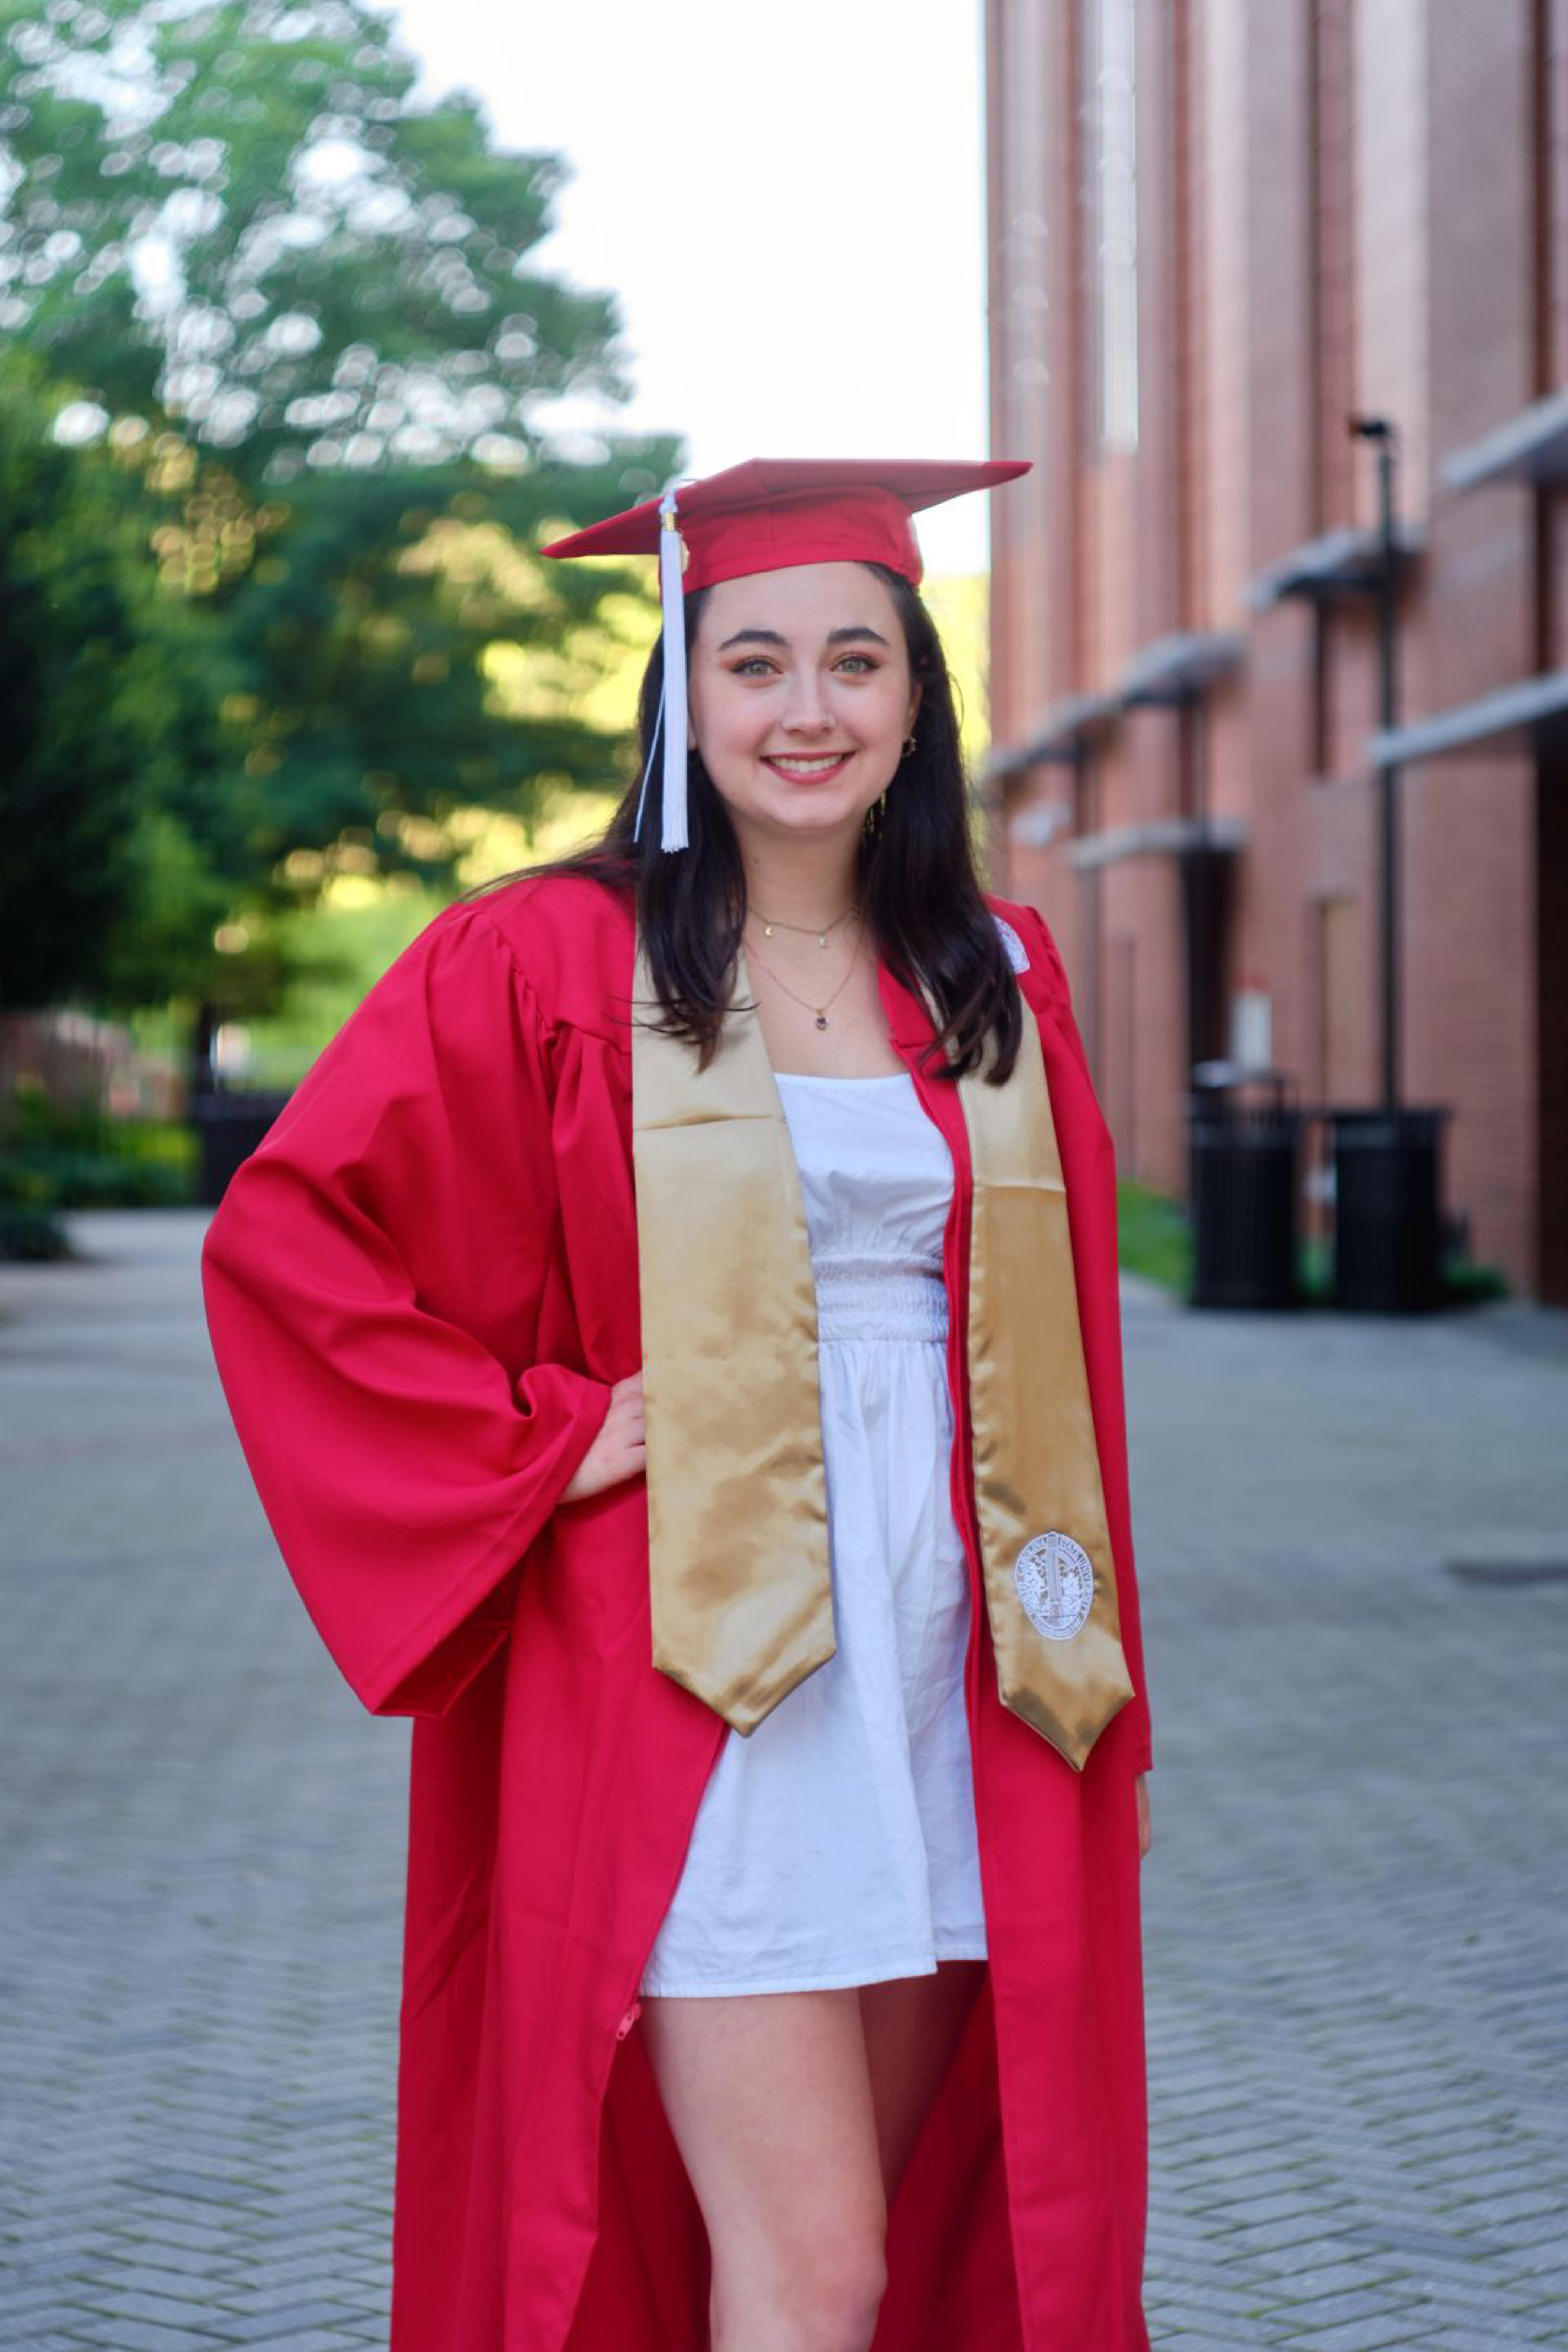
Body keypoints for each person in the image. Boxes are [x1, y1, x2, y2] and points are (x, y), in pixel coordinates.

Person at [201, 456, 1155, 2352]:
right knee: (817, 2266)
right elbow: (295, 1241)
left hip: (950, 1652)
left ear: (916, 701)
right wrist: (539, 1441)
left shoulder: (997, 971)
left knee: (893, 2241)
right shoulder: (548, 955)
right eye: (756, 663)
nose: (808, 711)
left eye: (857, 662)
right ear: (682, 692)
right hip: (701, 1650)